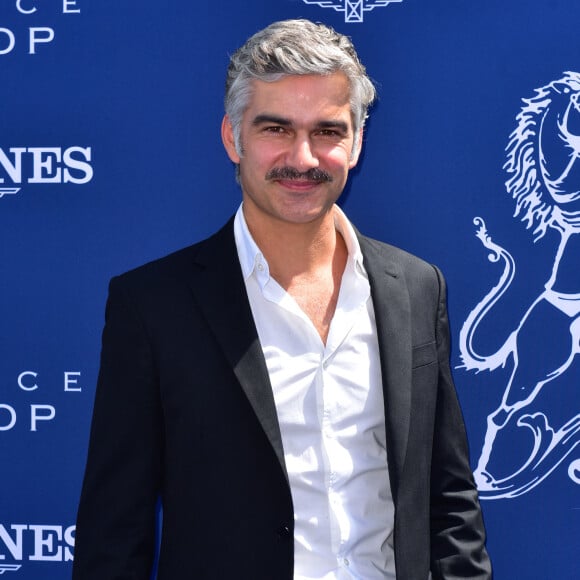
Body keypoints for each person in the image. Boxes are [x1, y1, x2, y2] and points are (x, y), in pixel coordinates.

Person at [73, 19, 492, 580]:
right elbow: (113, 532)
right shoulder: (153, 306)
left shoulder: (416, 287)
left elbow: (448, 497)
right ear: (232, 138)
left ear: (357, 141)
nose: (303, 157)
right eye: (275, 129)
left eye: (327, 131)